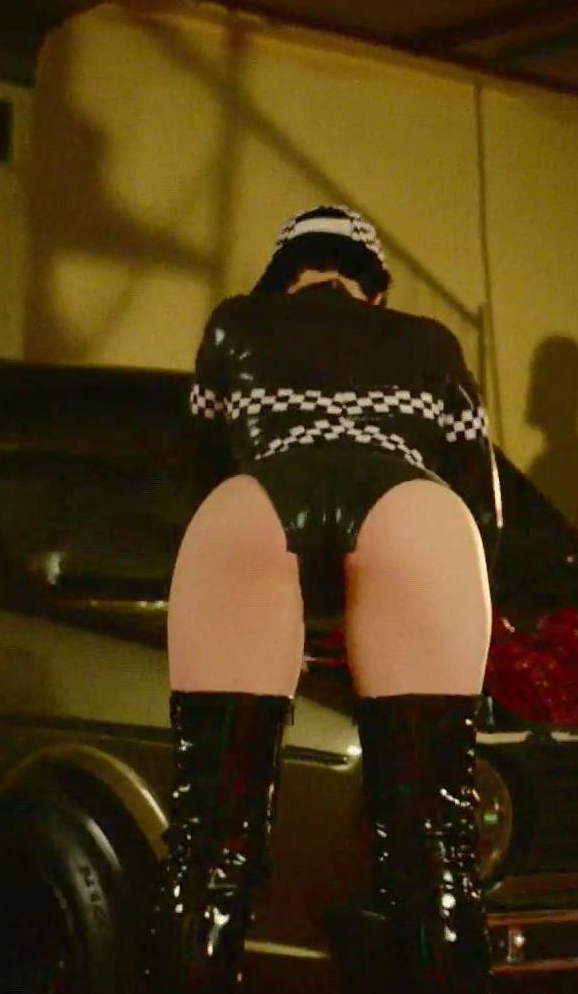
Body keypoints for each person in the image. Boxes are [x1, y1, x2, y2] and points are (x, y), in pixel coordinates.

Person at [151, 205, 500, 993]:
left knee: (208, 842)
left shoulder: (235, 324)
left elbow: (197, 473)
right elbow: (481, 506)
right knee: (434, 846)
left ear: (283, 277)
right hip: (411, 506)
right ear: (375, 289)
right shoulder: (431, 341)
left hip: (257, 498)